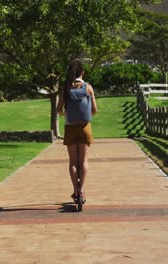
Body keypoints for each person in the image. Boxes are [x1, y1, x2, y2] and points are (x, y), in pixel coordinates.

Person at [56, 60, 98, 204]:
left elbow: (58, 110)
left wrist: (66, 115)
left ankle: (75, 190)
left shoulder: (66, 88)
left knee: (73, 161)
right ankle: (82, 190)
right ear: (82, 73)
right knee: (84, 160)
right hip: (85, 126)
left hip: (70, 126)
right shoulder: (88, 87)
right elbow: (95, 110)